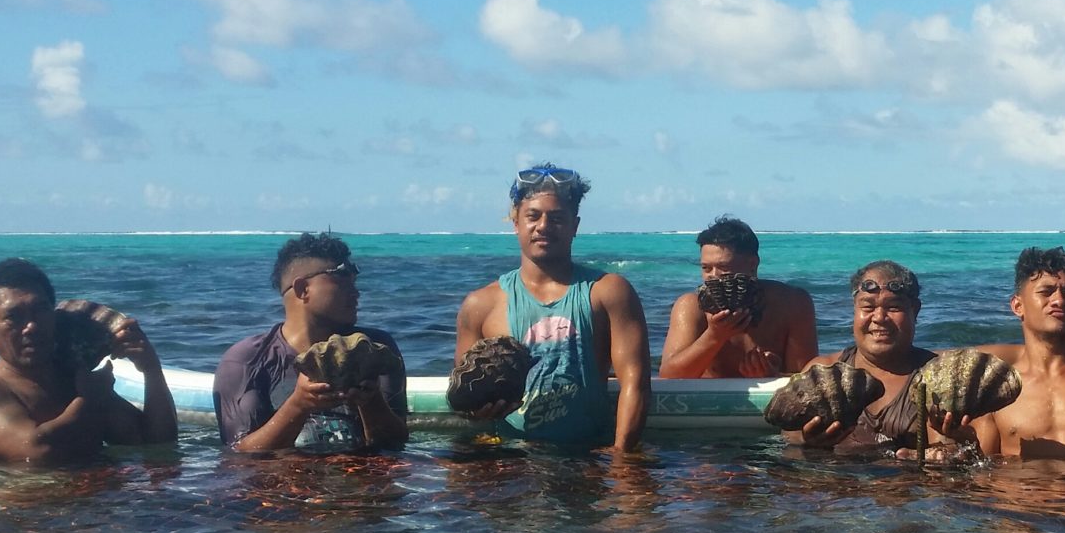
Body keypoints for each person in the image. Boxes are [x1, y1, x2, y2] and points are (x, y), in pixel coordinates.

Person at [454, 163, 651, 447]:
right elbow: (464, 395)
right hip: (513, 460)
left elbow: (636, 383)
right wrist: (477, 411)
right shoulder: (481, 304)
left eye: (557, 218)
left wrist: (621, 462)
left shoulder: (608, 292)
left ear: (575, 226)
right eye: (533, 216)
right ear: (516, 223)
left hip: (588, 455)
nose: (543, 227)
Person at [0, 258, 175, 461]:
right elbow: (35, 451)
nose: (31, 326)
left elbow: (156, 442)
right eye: (13, 317)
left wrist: (151, 368)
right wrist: (89, 400)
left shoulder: (72, 382)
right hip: (18, 504)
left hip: (95, 500)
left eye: (40, 311)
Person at [214, 233, 407, 453]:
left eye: (354, 282)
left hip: (361, 479)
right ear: (302, 289)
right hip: (287, 482)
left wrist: (372, 402)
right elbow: (240, 453)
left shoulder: (374, 348)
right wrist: (299, 404)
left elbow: (396, 443)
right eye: (342, 279)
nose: (356, 292)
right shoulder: (246, 360)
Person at [967, 247, 1065, 463]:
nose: (1059, 301)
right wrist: (958, 437)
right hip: (1018, 495)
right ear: (1018, 305)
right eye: (1046, 292)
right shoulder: (995, 389)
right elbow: (981, 469)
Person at [782, 260, 939, 452]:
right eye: (868, 307)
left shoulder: (935, 378)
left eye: (893, 307)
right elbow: (788, 432)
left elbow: (950, 445)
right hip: (835, 478)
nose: (879, 317)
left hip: (905, 480)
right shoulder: (824, 370)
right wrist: (806, 437)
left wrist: (942, 452)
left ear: (915, 310)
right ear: (854, 309)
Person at [659, 215, 817, 379]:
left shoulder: (791, 303)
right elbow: (669, 375)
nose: (713, 276)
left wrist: (772, 375)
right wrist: (715, 336)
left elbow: (806, 377)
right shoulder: (690, 306)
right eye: (706, 268)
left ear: (752, 265)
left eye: (723, 267)